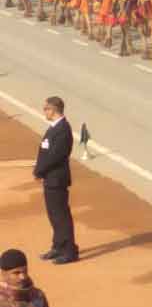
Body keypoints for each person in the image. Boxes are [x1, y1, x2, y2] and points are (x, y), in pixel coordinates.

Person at [33, 97, 78, 265]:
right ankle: (58, 246)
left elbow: (55, 156)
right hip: (50, 178)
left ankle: (69, 251)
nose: (44, 111)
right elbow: (45, 151)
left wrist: (39, 170)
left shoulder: (63, 129)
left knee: (61, 216)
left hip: (57, 178)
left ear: (54, 110)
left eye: (46, 108)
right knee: (54, 215)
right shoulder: (54, 128)